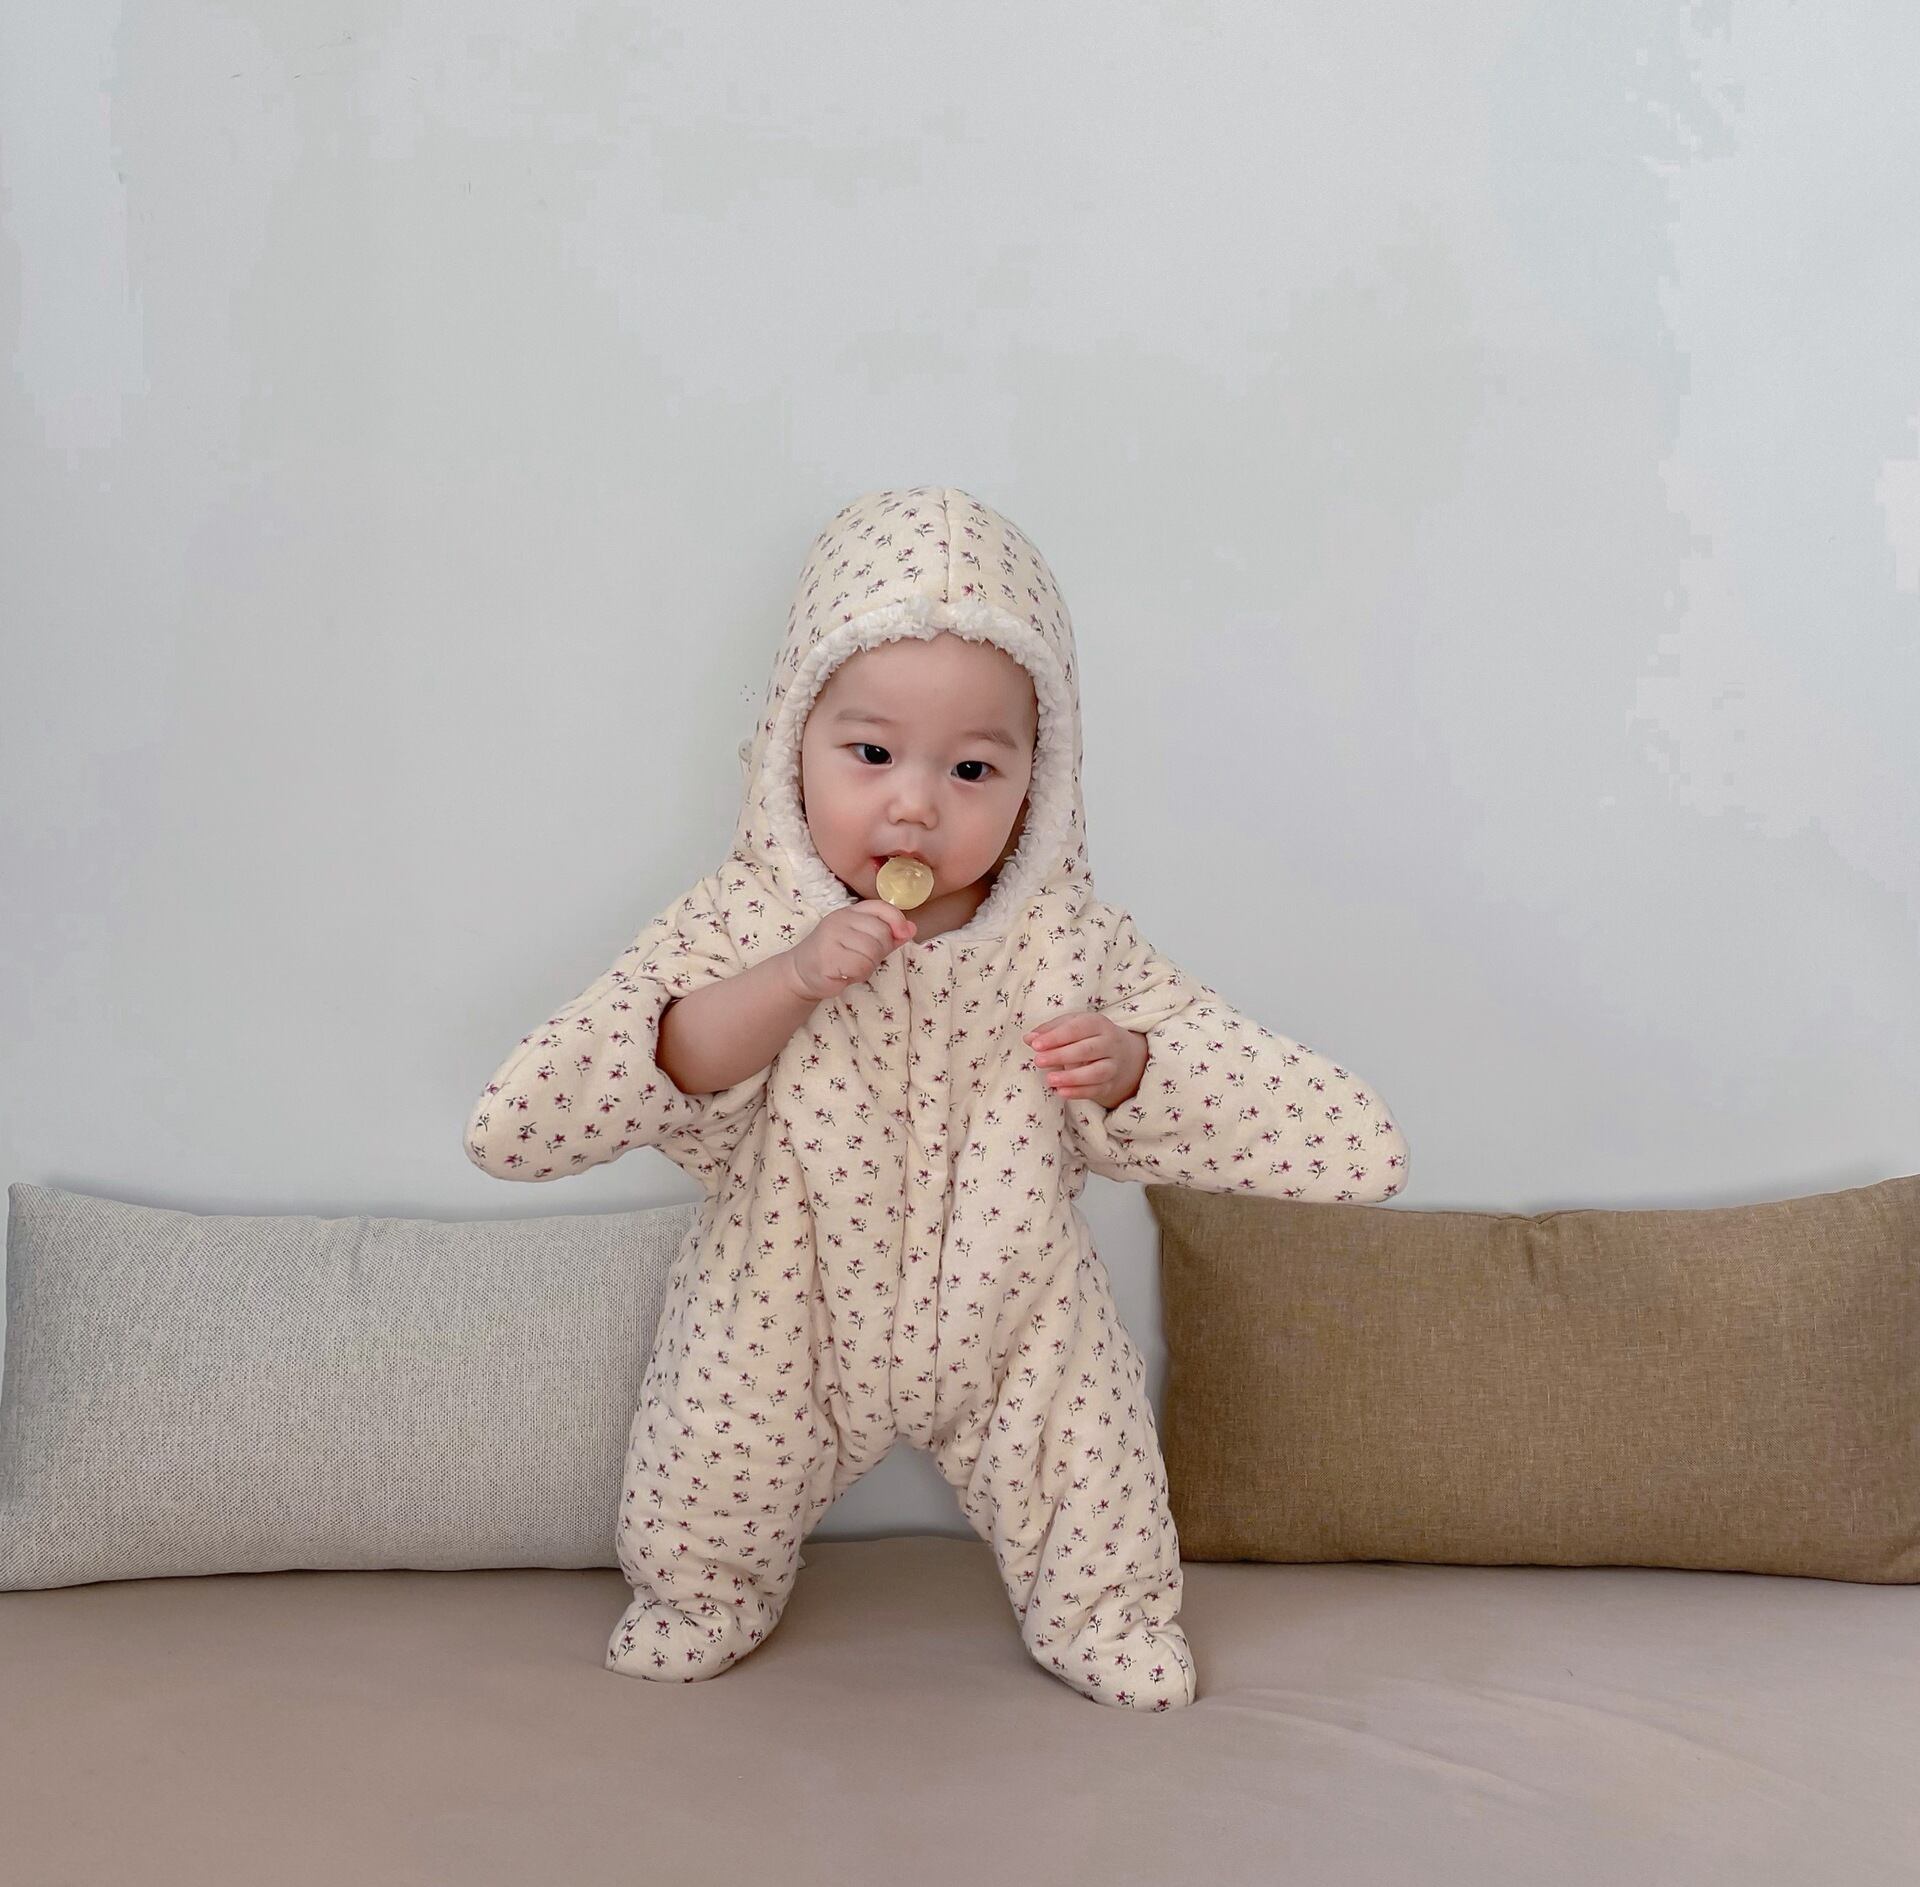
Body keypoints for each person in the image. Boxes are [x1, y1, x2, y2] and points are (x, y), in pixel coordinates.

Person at [465, 486, 1410, 1709]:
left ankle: (1105, 1615)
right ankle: (702, 1593)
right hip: (788, 1286)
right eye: (871, 755)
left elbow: (1344, 1138)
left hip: (1012, 1303)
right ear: (792, 742)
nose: (915, 805)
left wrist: (1134, 1065)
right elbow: (599, 1085)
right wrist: (791, 978)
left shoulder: (1067, 943)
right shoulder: (746, 918)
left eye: (971, 768)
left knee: (1087, 1452)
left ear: (1040, 783)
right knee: (717, 1442)